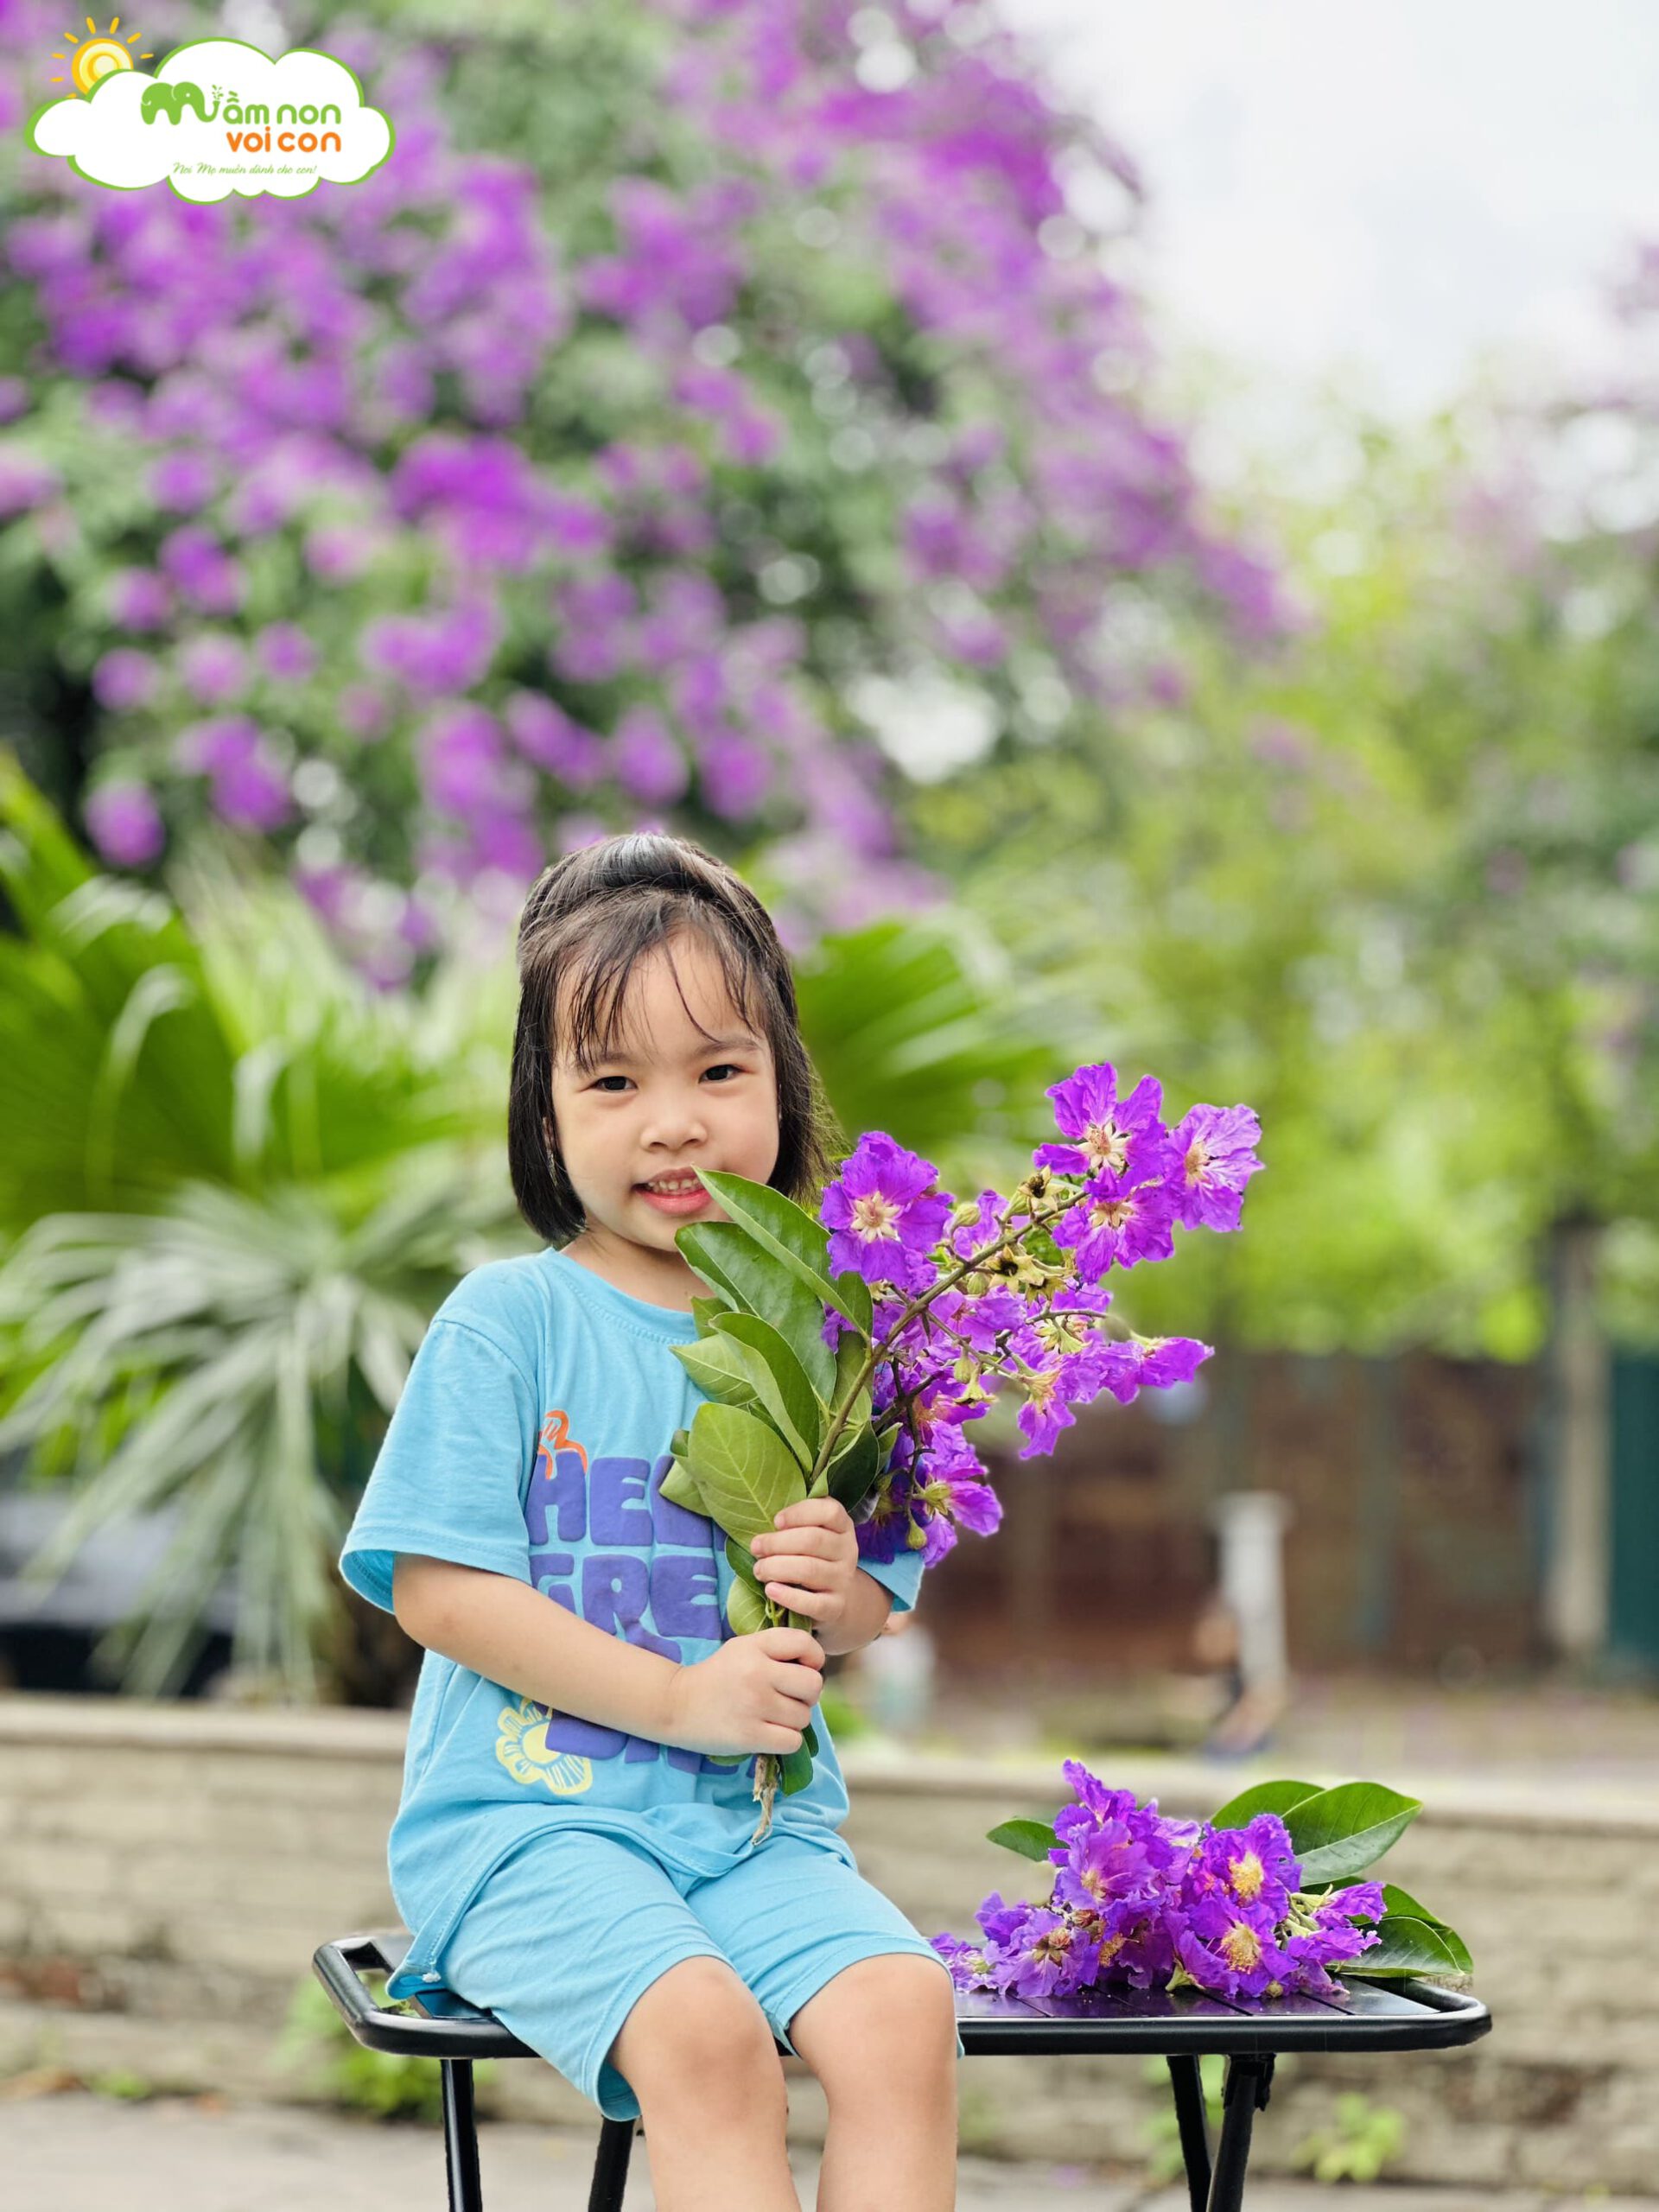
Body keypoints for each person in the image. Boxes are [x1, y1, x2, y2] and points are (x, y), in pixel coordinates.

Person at [339, 832, 961, 2212]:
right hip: (525, 1833)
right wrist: (680, 1697)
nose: (672, 1122)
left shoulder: (837, 1334)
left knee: (905, 2012)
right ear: (545, 1115)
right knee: (705, 2039)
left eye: (718, 1072)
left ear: (784, 1090)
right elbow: (439, 1594)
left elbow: (878, 1601)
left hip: (755, 1835)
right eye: (613, 1082)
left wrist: (839, 1577)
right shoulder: (513, 1323)